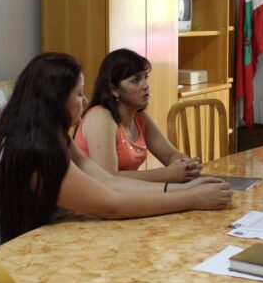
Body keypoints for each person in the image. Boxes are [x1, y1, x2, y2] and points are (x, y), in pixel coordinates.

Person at [0, 52, 232, 254]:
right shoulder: (37, 152)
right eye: (79, 94)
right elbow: (111, 204)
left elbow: (108, 181)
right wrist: (191, 198)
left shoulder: (48, 136)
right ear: (55, 100)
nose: (85, 101)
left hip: (17, 259)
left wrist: (187, 189)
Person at [75, 49, 202, 183]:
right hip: (96, 199)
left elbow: (169, 154)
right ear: (114, 90)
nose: (146, 85)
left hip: (124, 195)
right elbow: (108, 178)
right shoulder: (100, 117)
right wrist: (168, 173)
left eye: (145, 77)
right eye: (135, 80)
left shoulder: (140, 116)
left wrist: (186, 165)